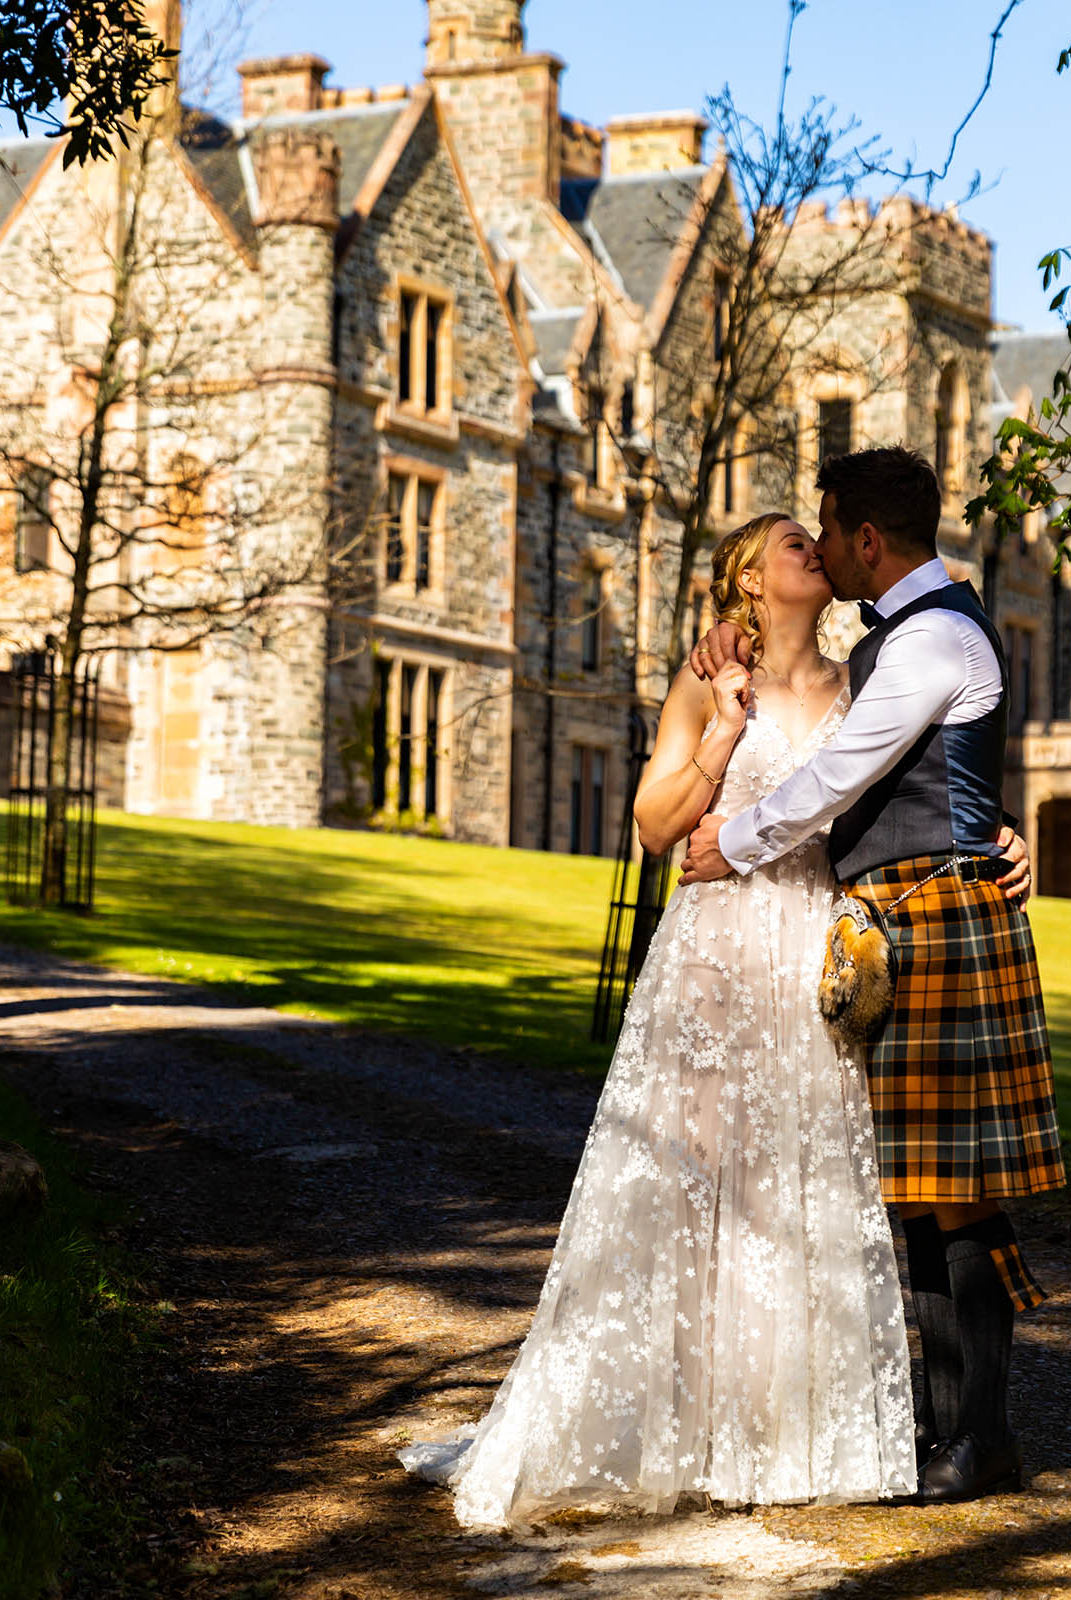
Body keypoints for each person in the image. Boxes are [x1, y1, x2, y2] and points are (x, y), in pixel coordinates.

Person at [398, 510, 1032, 1528]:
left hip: (821, 949)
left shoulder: (865, 676)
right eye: (793, 542)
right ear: (747, 575)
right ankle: (675, 1423)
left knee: (808, 1183)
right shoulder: (704, 679)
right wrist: (725, 732)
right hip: (715, 948)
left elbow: (922, 778)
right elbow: (653, 826)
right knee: (690, 1177)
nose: (814, 552)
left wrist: (1002, 834)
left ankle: (786, 1433)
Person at [679, 446, 1063, 1506]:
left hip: (939, 919)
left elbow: (846, 772)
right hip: (912, 916)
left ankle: (978, 1435)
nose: (821, 546)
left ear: (865, 539)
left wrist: (736, 840)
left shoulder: (932, 634)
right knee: (927, 1190)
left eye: (827, 527)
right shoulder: (907, 634)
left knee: (955, 1194)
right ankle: (950, 1430)